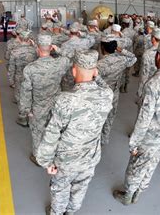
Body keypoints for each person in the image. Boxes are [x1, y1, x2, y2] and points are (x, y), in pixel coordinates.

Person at [113, 40, 160, 205]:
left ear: (158, 57)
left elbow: (144, 118)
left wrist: (134, 143)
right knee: (150, 166)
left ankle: (128, 196)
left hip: (150, 138)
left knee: (135, 167)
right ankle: (138, 193)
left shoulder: (153, 84)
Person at [36, 50, 113, 215]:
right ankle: (71, 211)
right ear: (95, 71)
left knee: (60, 188)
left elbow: (52, 133)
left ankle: (57, 212)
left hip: (66, 160)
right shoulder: (107, 95)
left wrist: (46, 162)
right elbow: (104, 86)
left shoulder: (65, 100)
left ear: (73, 71)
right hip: (90, 156)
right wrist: (96, 76)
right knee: (81, 186)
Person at [19, 35, 71, 164]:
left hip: (38, 105)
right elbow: (70, 57)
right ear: (51, 47)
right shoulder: (60, 63)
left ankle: (38, 157)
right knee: (56, 129)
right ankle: (54, 153)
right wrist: (58, 50)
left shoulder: (30, 69)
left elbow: (25, 91)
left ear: (37, 48)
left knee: (38, 132)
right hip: (56, 102)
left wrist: (26, 110)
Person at [97, 35, 137, 145]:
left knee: (98, 117)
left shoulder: (99, 64)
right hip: (114, 92)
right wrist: (121, 50)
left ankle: (96, 140)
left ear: (102, 48)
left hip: (101, 95)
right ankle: (105, 139)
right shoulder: (122, 60)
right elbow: (134, 58)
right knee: (110, 116)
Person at [8, 30, 37, 115]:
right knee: (31, 94)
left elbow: (11, 68)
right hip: (32, 77)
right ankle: (31, 113)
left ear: (20, 39)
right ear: (29, 39)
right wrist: (34, 44)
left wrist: (11, 81)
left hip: (19, 77)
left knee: (20, 96)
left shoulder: (15, 52)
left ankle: (23, 117)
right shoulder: (34, 50)